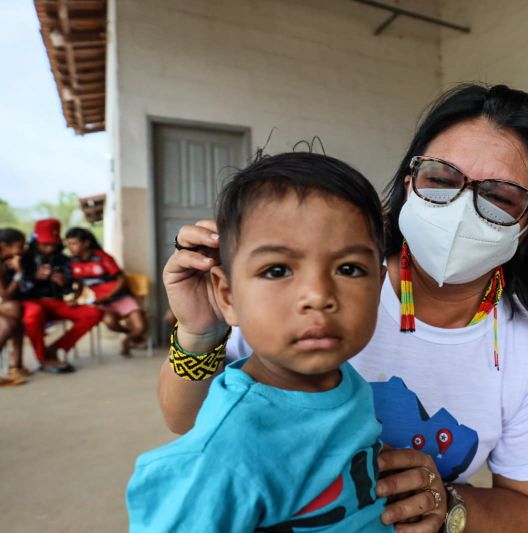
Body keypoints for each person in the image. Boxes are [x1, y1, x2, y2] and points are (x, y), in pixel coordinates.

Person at [159, 84, 528, 532]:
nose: (460, 207)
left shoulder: (526, 352)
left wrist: (450, 504)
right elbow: (188, 423)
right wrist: (199, 333)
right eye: (440, 177)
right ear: (410, 181)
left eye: (500, 196)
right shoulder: (312, 291)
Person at [127, 152, 396, 532]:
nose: (318, 295)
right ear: (227, 295)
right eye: (277, 270)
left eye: (349, 269)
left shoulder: (346, 382)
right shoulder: (224, 457)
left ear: (379, 285)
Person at [20, 218, 102, 373]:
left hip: (56, 303)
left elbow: (69, 290)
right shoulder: (24, 258)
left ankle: (55, 349)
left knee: (93, 313)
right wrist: (34, 278)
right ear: (36, 241)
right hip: (32, 303)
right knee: (33, 314)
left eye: (52, 244)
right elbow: (18, 289)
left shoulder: (64, 260)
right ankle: (43, 358)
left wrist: (64, 283)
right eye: (45, 244)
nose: (49, 248)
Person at [65, 227, 147, 356]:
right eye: (68, 244)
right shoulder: (72, 263)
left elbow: (122, 280)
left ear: (85, 243)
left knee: (140, 327)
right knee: (110, 323)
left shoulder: (102, 257)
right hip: (103, 303)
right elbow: (80, 284)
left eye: (74, 243)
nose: (70, 247)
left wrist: (109, 296)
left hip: (122, 297)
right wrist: (75, 298)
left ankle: (127, 341)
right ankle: (132, 337)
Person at [0, 225, 28, 387]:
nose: (22, 249)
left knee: (15, 310)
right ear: (4, 245)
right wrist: (19, 273)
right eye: (19, 245)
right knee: (6, 324)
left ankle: (16, 365)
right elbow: (5, 295)